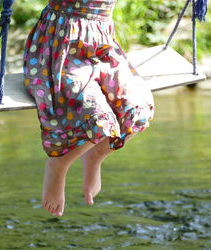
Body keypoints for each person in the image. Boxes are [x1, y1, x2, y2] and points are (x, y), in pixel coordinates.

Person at [22, 0, 155, 217]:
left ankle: (96, 155)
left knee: (138, 110)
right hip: (60, 49)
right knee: (99, 118)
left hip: (103, 48)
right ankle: (58, 165)